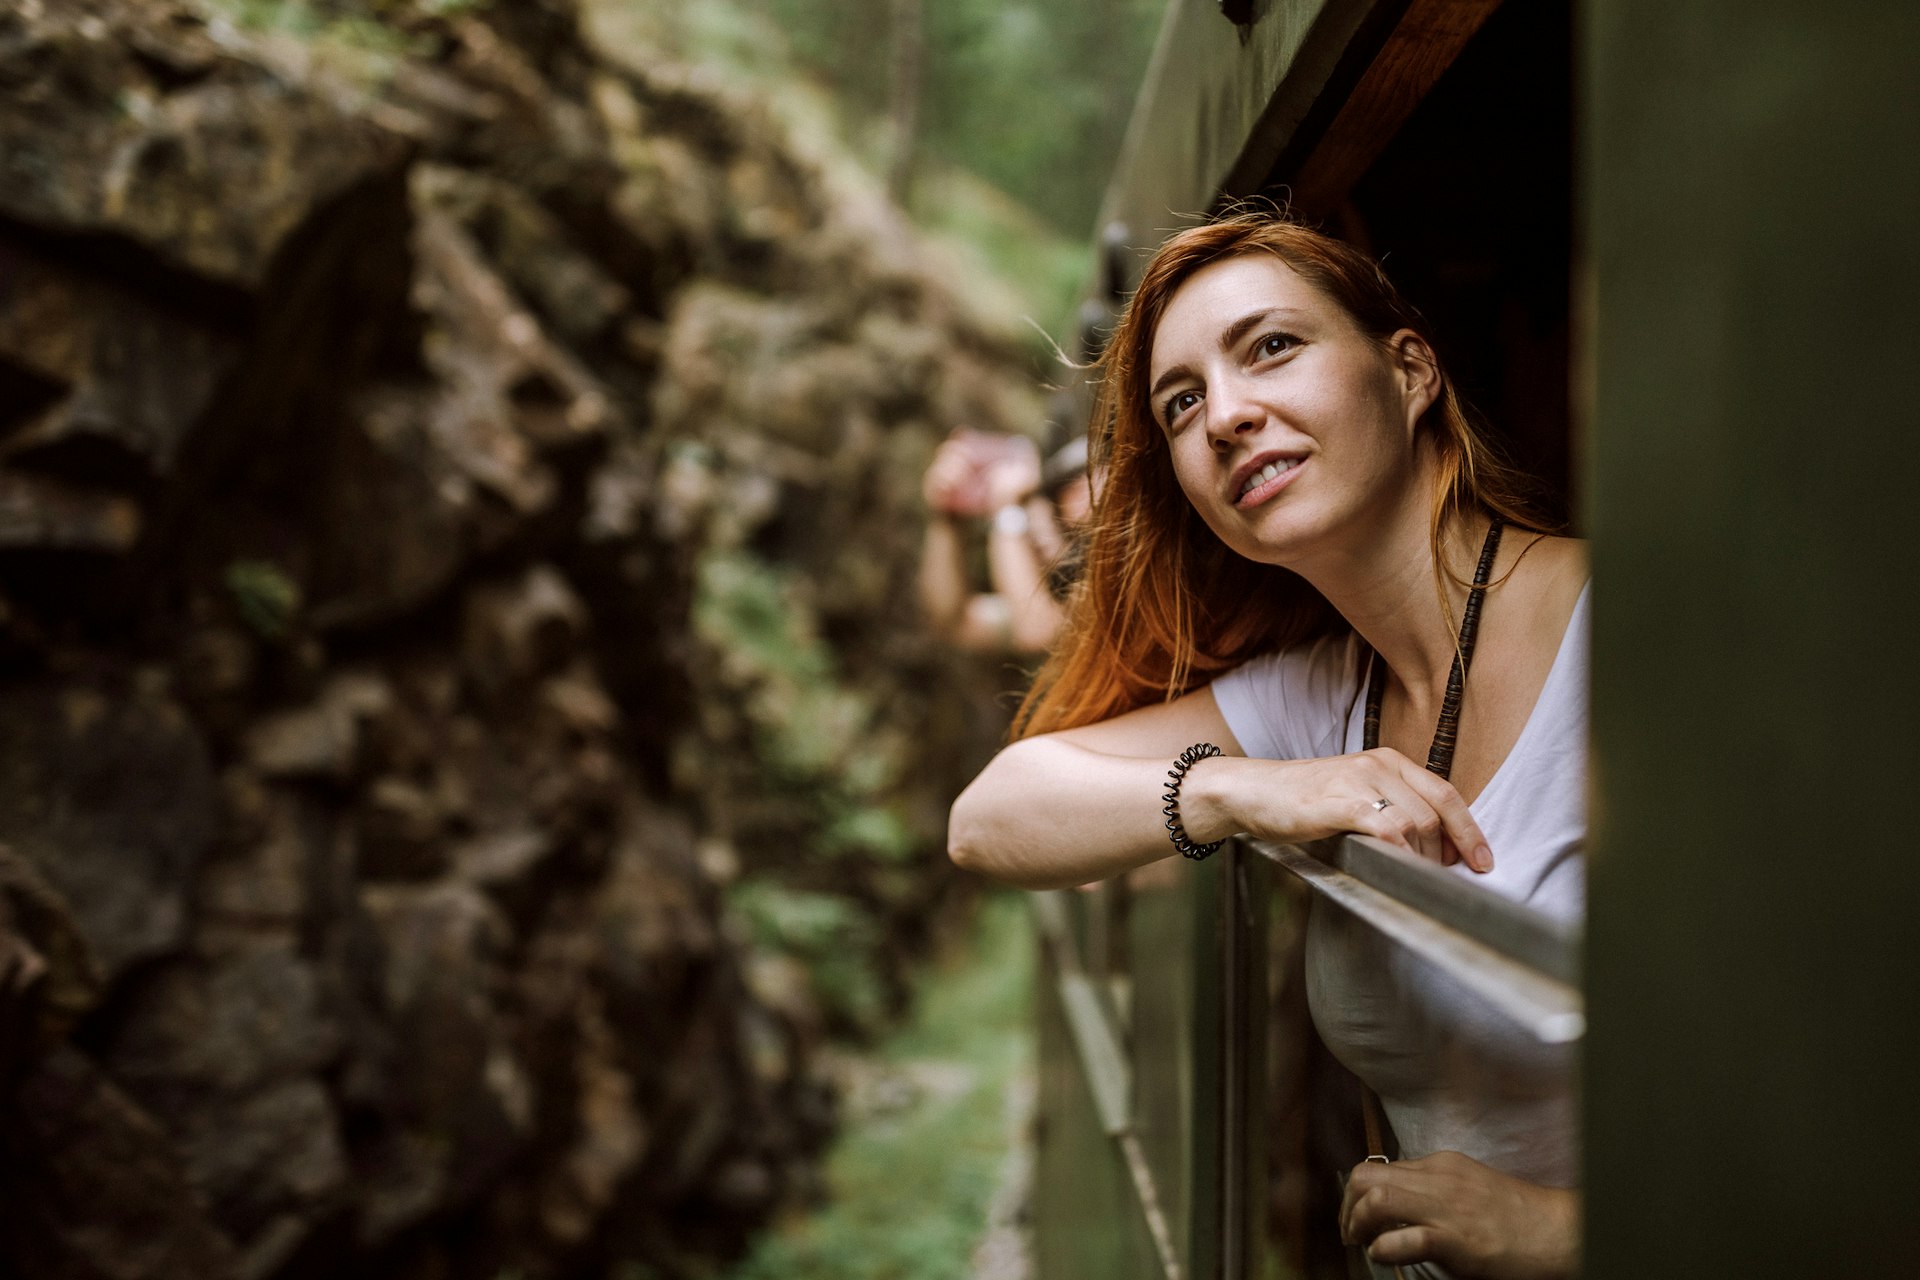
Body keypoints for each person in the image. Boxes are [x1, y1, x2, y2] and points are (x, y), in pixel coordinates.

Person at [947, 212, 1586, 1279]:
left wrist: (1560, 1232)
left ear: (1411, 370)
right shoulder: (1322, 692)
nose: (1228, 416)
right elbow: (988, 817)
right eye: (1181, 401)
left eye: (1272, 346)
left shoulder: (1627, 637)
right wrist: (1233, 790)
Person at [918, 427, 1096, 656]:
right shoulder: (1054, 593)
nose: (1039, 533)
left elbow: (1038, 632)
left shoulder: (1119, 585)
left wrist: (1007, 512)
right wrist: (947, 518)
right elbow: (954, 621)